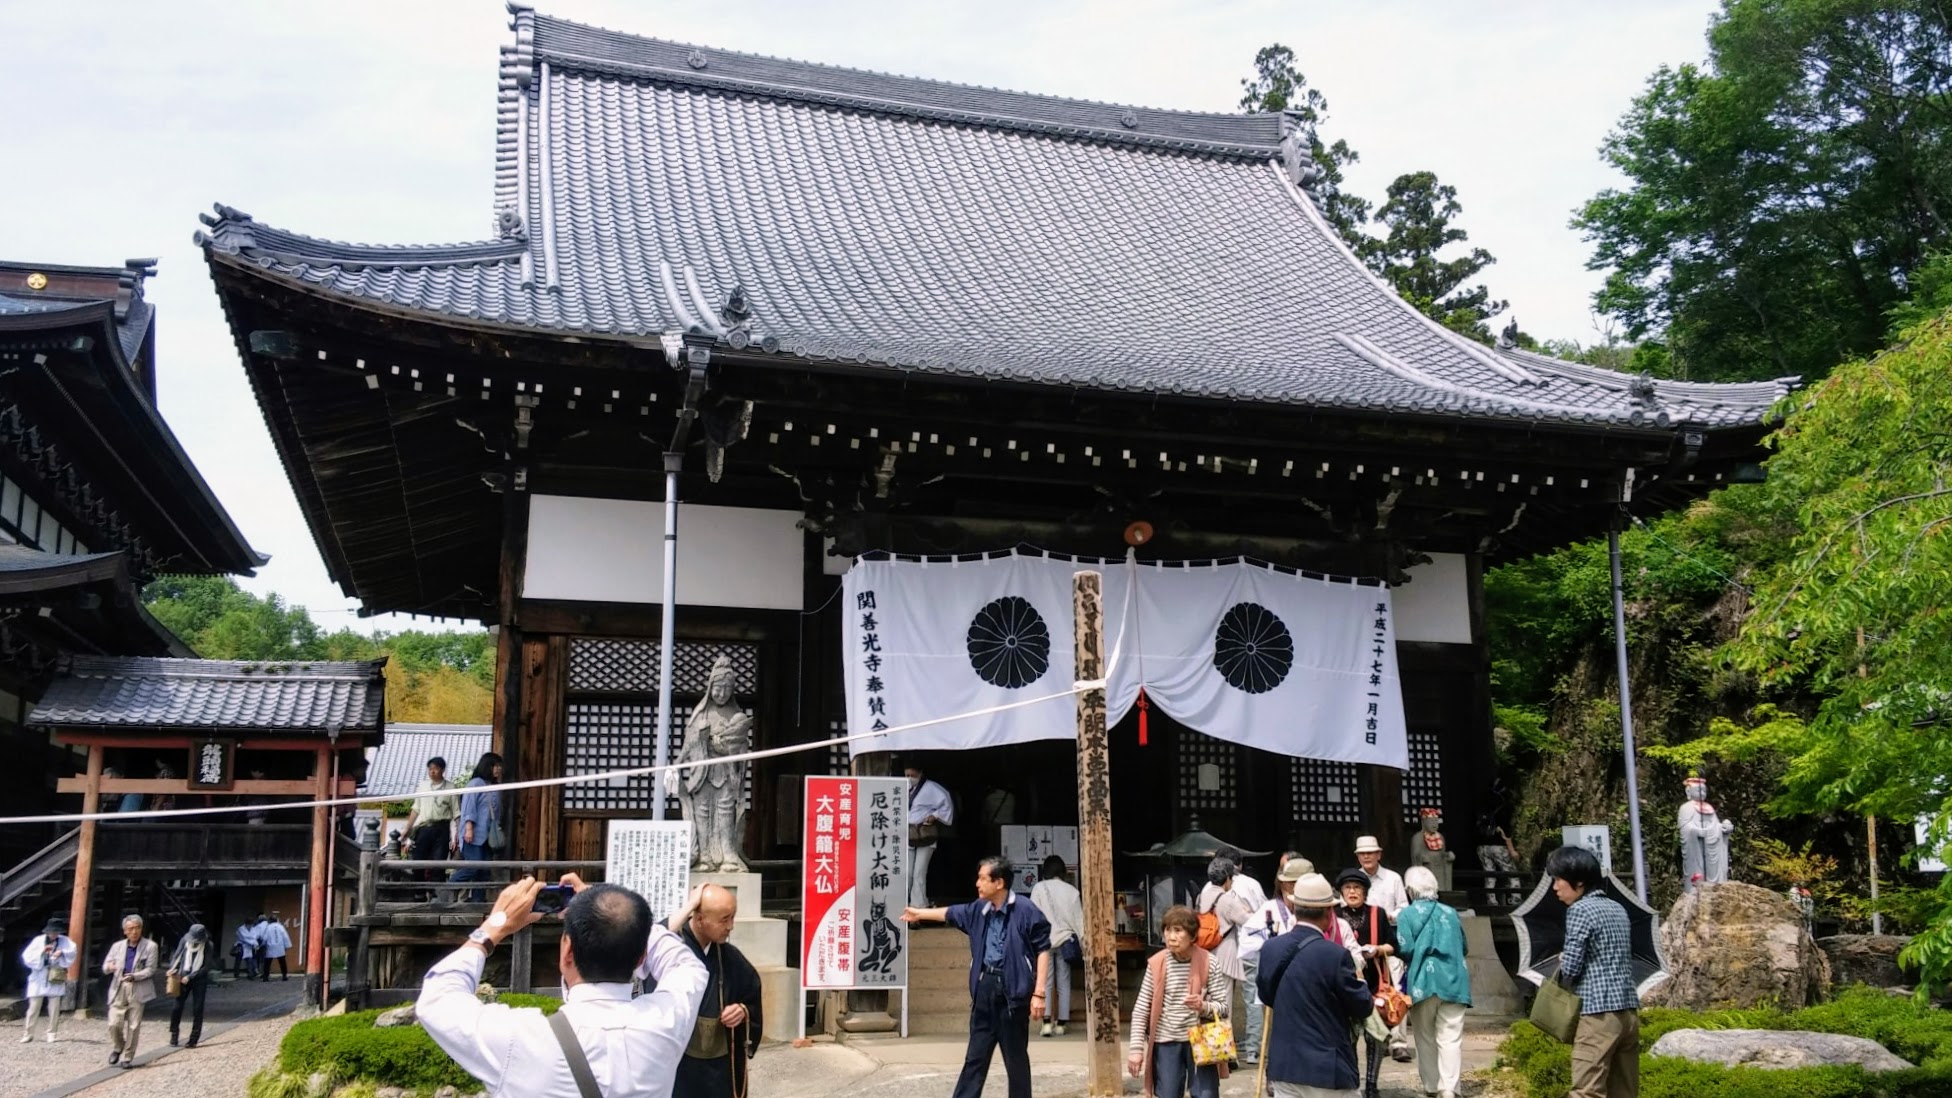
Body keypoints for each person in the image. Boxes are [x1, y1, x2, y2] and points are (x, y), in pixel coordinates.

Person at [417, 874, 710, 1097]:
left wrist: (495, 926)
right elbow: (686, 964)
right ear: (641, 958)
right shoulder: (667, 1022)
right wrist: (606, 907)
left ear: (566, 950)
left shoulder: (519, 1039)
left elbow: (436, 998)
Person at [902, 855, 1051, 1098]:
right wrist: (919, 913)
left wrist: (1039, 992)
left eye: (983, 879)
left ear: (999, 883)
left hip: (1013, 993)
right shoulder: (979, 909)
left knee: (1015, 1059)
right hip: (985, 989)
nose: (977, 884)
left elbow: (1042, 949)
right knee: (975, 1057)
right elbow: (951, 913)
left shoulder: (1025, 910)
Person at [1256, 872, 1374, 1097]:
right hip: (1328, 1067)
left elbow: (1267, 996)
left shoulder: (1271, 949)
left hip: (1285, 1066)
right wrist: (1360, 981)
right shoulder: (1336, 955)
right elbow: (1362, 1006)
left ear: (1294, 908)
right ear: (1329, 912)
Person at [1547, 845, 1640, 1098]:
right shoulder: (1618, 908)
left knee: (1586, 1092)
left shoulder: (1579, 910)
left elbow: (1573, 968)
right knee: (1624, 1092)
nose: (1555, 887)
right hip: (1628, 1013)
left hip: (1598, 1015)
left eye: (1558, 880)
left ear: (1578, 882)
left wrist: (1565, 959)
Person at [670, 883, 763, 1098]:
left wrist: (742, 1011)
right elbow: (650, 941)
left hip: (718, 1066)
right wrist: (690, 905)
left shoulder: (730, 957)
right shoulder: (671, 949)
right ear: (700, 919)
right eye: (724, 919)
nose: (731, 926)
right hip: (678, 1063)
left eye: (732, 917)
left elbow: (751, 996)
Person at [1126, 905, 1229, 1098]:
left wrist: (1203, 1006)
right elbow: (1141, 1009)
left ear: (1192, 936)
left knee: (1206, 1095)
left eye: (1178, 930)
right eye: (1167, 930)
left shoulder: (1209, 961)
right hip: (1166, 1040)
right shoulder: (1157, 964)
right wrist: (1136, 1050)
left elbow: (1222, 1007)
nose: (1171, 936)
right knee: (1168, 1094)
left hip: (1202, 1039)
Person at [1396, 866, 1470, 1098]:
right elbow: (1464, 947)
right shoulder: (1450, 912)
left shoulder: (1406, 915)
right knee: (1451, 1037)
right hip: (1454, 980)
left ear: (1410, 890)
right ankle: (1449, 1089)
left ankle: (1431, 1086)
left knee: (1425, 1036)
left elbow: (1405, 947)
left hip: (1422, 981)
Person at [1335, 869, 1399, 1097]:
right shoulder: (1334, 914)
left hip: (1374, 985)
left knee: (1375, 1035)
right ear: (1341, 892)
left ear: (1365, 891)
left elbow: (1394, 945)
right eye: (1347, 888)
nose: (1352, 892)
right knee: (1348, 1036)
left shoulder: (1377, 914)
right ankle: (1352, 1081)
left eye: (1357, 888)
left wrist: (1378, 949)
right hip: (1344, 985)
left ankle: (1371, 1084)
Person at [1353, 835, 1412, 1062]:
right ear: (1357, 856)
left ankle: (1399, 1042)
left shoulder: (1393, 878)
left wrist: (1389, 916)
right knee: (1367, 994)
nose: (1366, 856)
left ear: (1379, 854)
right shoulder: (1354, 878)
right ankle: (1379, 1039)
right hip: (1361, 946)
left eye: (1371, 852)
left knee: (1395, 991)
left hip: (1388, 943)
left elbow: (1404, 907)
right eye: (1362, 853)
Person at [1192, 856, 1253, 1061]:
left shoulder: (1203, 896)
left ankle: (1208, 1049)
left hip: (1205, 953)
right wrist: (1249, 911)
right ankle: (1224, 1056)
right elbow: (1248, 922)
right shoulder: (1227, 899)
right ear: (1227, 878)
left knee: (1207, 1004)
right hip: (1224, 954)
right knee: (1222, 1005)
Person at [1029, 854, 1083, 1037]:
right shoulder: (1072, 891)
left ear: (1045, 871)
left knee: (1045, 981)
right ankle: (1061, 1023)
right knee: (1064, 982)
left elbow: (1033, 916)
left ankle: (1046, 1023)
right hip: (1066, 940)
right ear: (1063, 871)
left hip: (1044, 941)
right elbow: (1079, 921)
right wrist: (1084, 944)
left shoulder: (1038, 888)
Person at [101, 914, 158, 1069]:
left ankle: (127, 1056)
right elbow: (105, 966)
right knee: (114, 1023)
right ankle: (118, 1046)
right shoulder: (117, 946)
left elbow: (151, 969)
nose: (134, 932)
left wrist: (135, 976)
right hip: (118, 986)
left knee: (134, 1025)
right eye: (130, 929)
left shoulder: (150, 946)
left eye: (137, 928)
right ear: (125, 931)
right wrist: (110, 967)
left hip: (137, 986)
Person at [402, 756, 460, 898]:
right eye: (430, 769)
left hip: (442, 828)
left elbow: (456, 814)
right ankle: (419, 893)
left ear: (442, 770)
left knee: (439, 862)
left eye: (436, 768)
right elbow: (416, 809)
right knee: (418, 861)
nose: (432, 772)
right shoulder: (422, 786)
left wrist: (456, 836)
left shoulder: (451, 787)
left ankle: (436, 894)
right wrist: (407, 830)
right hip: (424, 828)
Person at [455, 751, 505, 902]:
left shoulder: (495, 786)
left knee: (483, 871)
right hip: (473, 834)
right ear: (487, 766)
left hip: (488, 835)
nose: (498, 769)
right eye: (495, 766)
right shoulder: (475, 783)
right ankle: (450, 885)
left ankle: (478, 902)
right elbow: (468, 808)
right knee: (474, 866)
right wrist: (468, 828)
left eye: (499, 766)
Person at [904, 762, 954, 909]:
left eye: (912, 776)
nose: (909, 778)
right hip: (907, 833)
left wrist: (935, 816)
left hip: (925, 834)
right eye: (907, 775)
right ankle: (905, 903)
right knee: (907, 873)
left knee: (919, 872)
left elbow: (947, 805)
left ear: (920, 774)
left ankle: (917, 907)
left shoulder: (933, 788)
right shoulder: (901, 786)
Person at [19, 916, 75, 1043]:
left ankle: (52, 1033)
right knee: (34, 1007)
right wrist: (42, 951)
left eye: (56, 932)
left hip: (55, 974)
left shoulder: (65, 941)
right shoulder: (38, 941)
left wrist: (62, 953)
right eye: (52, 932)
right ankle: (28, 1033)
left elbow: (72, 953)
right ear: (47, 931)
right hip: (39, 975)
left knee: (54, 1007)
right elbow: (27, 956)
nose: (54, 934)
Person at [166, 924, 215, 1048]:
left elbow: (207, 966)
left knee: (198, 1008)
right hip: (182, 976)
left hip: (199, 979)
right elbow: (177, 956)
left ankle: (193, 1038)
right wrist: (173, 968)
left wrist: (191, 977)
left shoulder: (208, 945)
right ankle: (174, 1034)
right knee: (177, 1007)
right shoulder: (184, 941)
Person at [258, 913, 293, 980]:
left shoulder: (268, 927)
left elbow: (265, 937)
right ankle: (284, 976)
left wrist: (262, 944)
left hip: (270, 947)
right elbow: (285, 937)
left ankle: (265, 977)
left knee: (267, 963)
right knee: (282, 962)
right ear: (276, 920)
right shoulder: (281, 927)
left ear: (270, 920)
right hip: (280, 946)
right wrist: (287, 946)